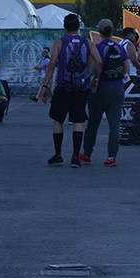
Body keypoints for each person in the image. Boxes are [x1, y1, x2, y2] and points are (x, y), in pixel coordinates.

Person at [38, 14, 102, 167]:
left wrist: (45, 86)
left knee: (58, 120)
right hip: (81, 88)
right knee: (78, 121)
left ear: (65, 27)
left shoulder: (59, 43)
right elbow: (99, 61)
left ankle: (58, 154)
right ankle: (75, 156)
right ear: (79, 27)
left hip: (63, 87)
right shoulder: (88, 43)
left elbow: (52, 64)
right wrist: (94, 78)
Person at [80, 19, 128, 166]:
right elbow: (126, 69)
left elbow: (93, 69)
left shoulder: (98, 48)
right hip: (117, 88)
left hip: (100, 88)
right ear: (112, 31)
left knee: (93, 123)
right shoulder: (120, 48)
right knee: (114, 124)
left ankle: (87, 154)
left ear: (99, 32)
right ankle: (111, 157)